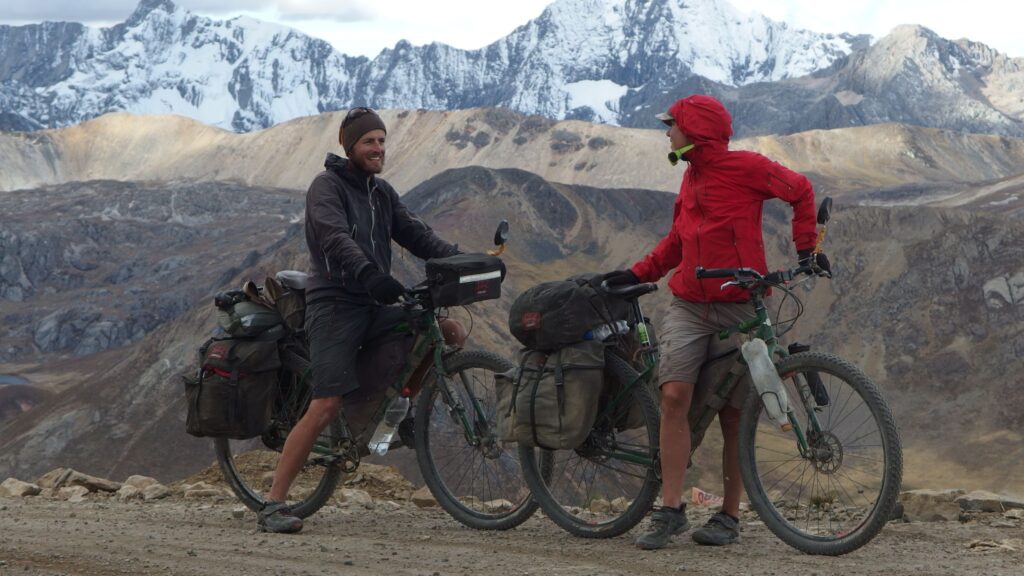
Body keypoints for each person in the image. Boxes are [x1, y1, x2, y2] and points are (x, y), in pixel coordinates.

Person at [602, 95, 830, 550]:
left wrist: (807, 250)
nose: (667, 133)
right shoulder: (689, 177)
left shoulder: (746, 168)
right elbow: (677, 242)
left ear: (696, 131)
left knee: (734, 414)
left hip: (742, 304)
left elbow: (801, 190)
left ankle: (728, 516)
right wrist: (636, 274)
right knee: (673, 397)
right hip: (689, 304)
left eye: (673, 126)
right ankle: (670, 511)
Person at [258, 107, 463, 533]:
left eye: (383, 141)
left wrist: (463, 260)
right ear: (349, 145)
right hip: (334, 304)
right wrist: (370, 273)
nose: (378, 148)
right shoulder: (326, 187)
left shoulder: (381, 192)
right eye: (369, 141)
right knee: (325, 404)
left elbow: (416, 235)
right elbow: (334, 238)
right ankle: (273, 504)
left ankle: (401, 409)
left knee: (445, 331)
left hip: (371, 302)